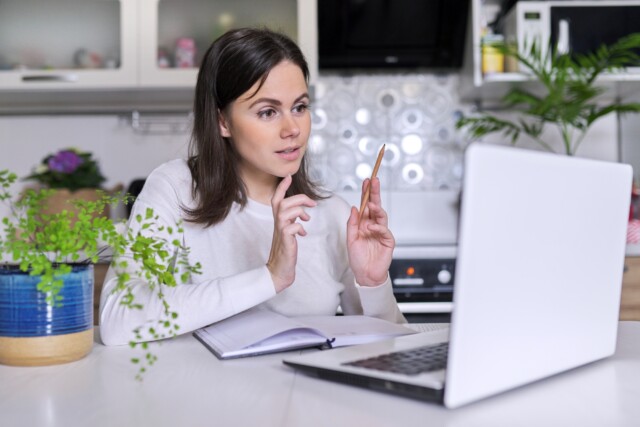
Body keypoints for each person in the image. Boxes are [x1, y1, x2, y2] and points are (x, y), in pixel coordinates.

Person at [99, 28, 405, 346]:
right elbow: (118, 320)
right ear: (223, 122)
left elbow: (389, 349)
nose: (293, 129)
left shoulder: (333, 213)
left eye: (299, 107)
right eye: (268, 112)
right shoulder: (175, 189)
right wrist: (270, 276)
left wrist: (373, 283)